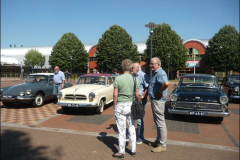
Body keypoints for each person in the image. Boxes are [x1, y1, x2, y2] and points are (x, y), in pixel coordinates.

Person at [112, 59, 139, 159]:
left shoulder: (118, 79)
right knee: (132, 127)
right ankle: (133, 150)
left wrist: (115, 105)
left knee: (121, 129)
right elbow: (137, 94)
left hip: (121, 106)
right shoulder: (135, 79)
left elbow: (115, 94)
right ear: (131, 68)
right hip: (131, 105)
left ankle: (121, 151)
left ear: (122, 67)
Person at [148, 57, 169, 153]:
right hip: (155, 100)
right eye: (150, 64)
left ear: (158, 65)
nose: (150, 65)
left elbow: (166, 83)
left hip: (158, 101)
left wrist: (160, 91)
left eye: (152, 64)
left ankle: (163, 145)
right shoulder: (157, 73)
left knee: (160, 122)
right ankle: (159, 141)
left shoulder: (160, 72)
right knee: (157, 122)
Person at [132, 62, 150, 144]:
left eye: (133, 68)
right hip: (134, 99)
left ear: (138, 68)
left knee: (139, 118)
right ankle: (132, 134)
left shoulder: (143, 75)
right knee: (133, 116)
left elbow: (147, 87)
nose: (132, 69)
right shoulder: (133, 75)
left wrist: (142, 96)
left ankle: (140, 136)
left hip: (141, 99)